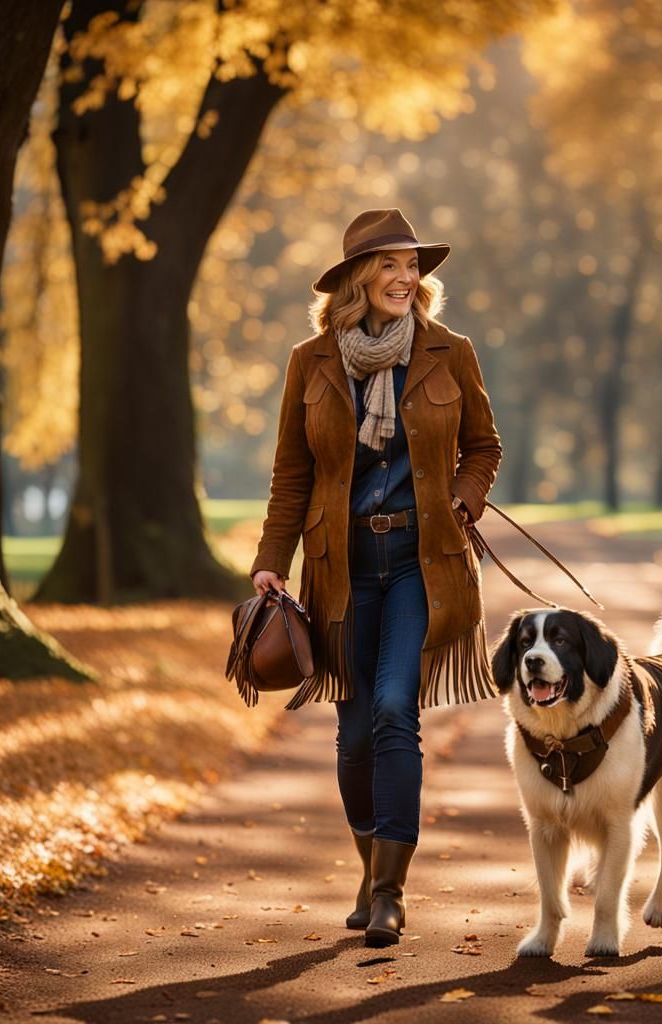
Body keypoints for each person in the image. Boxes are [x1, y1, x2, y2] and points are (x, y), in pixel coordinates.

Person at [249, 208, 503, 947]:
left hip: (423, 566)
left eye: (412, 265)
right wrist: (269, 560)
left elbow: (484, 446)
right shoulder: (312, 361)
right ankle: (369, 864)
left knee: (396, 709)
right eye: (388, 265)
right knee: (355, 733)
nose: (405, 277)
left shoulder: (449, 353)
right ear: (359, 279)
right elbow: (291, 477)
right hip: (342, 566)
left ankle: (389, 893)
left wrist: (464, 496)